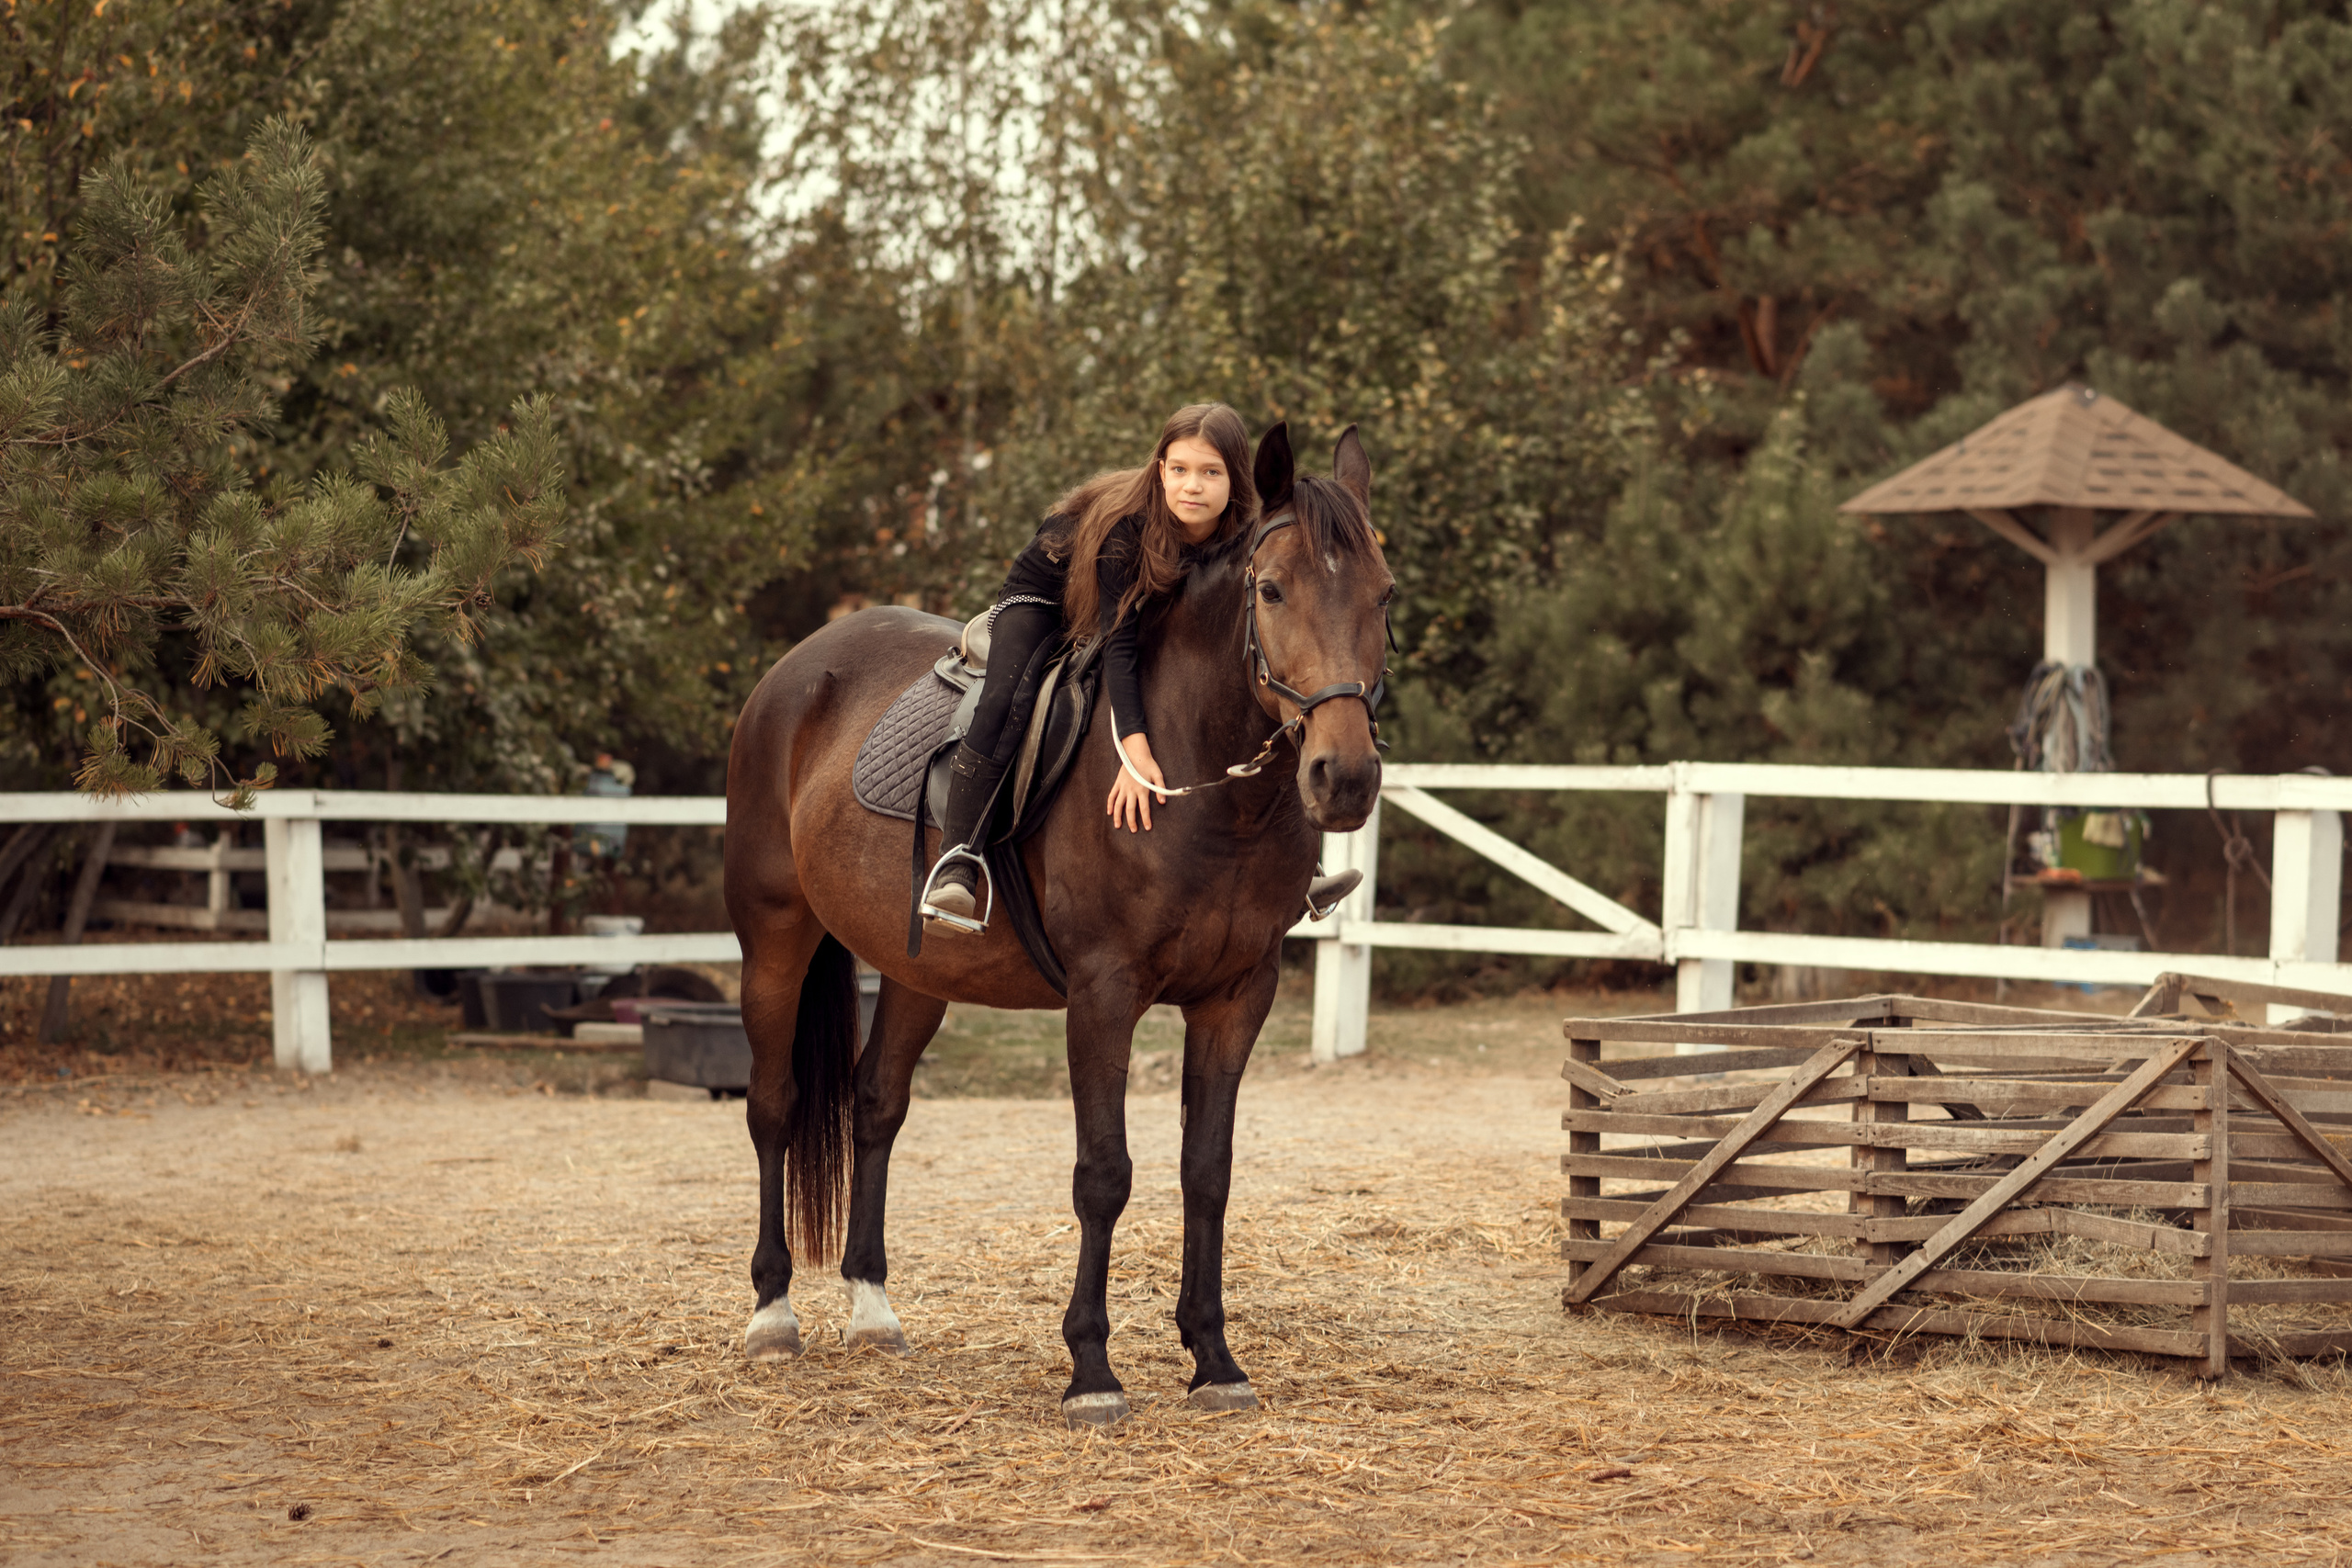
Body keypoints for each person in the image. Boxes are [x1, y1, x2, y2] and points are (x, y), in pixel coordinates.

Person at [922, 403, 1359, 931]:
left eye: (1210, 472)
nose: (1191, 487)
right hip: (1047, 596)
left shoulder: (1246, 536)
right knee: (1006, 697)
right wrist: (1133, 754)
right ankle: (958, 857)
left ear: (1236, 479)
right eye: (1178, 470)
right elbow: (1121, 647)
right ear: (1160, 471)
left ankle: (1297, 868)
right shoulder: (1128, 531)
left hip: (1147, 605)